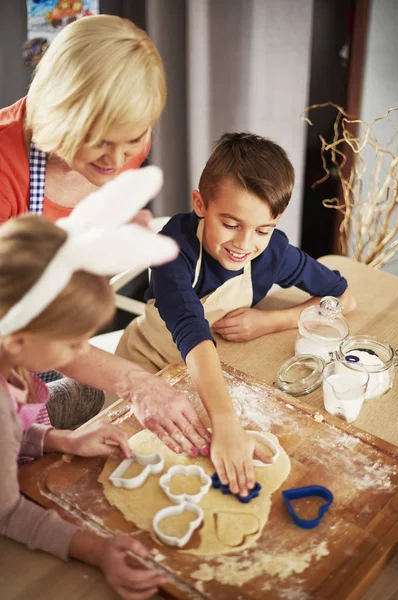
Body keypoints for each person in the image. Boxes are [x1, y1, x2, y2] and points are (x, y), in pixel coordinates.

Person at [0, 15, 209, 454]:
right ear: (60, 113)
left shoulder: (121, 146)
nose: (117, 161)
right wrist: (133, 383)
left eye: (133, 140)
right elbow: (17, 325)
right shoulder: (5, 175)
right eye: (98, 141)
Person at [116, 132, 357, 497]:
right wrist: (226, 424)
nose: (245, 244)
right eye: (230, 224)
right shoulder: (171, 250)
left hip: (213, 374)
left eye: (263, 229)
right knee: (134, 465)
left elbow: (343, 299)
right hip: (146, 366)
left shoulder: (273, 253)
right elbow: (191, 331)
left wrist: (270, 321)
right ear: (200, 204)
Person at [0, 167, 182, 599]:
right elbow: (6, 512)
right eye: (74, 343)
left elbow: (13, 435)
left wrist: (62, 441)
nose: (81, 352)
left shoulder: (10, 350)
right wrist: (96, 550)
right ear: (21, 339)